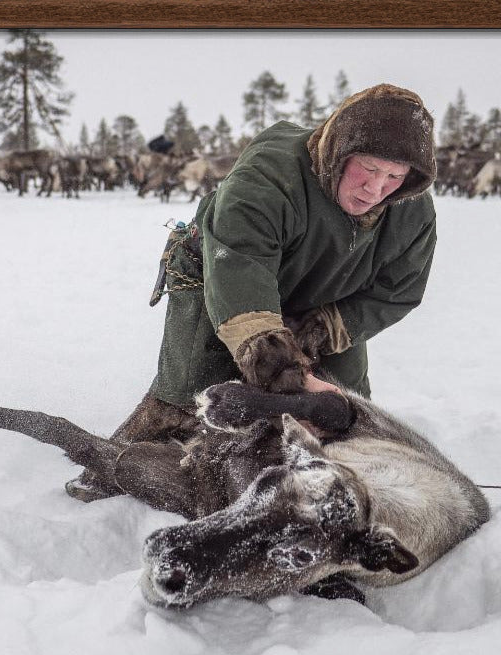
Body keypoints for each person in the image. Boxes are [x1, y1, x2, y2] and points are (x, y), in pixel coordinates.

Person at [67, 82, 438, 502]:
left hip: (323, 302)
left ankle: (331, 488)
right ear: (340, 151)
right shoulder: (268, 178)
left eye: (394, 175)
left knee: (344, 409)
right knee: (190, 390)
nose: (377, 188)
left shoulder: (412, 211)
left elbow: (398, 289)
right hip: (221, 273)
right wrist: (285, 372)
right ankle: (102, 472)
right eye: (368, 168)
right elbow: (240, 264)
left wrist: (322, 329)